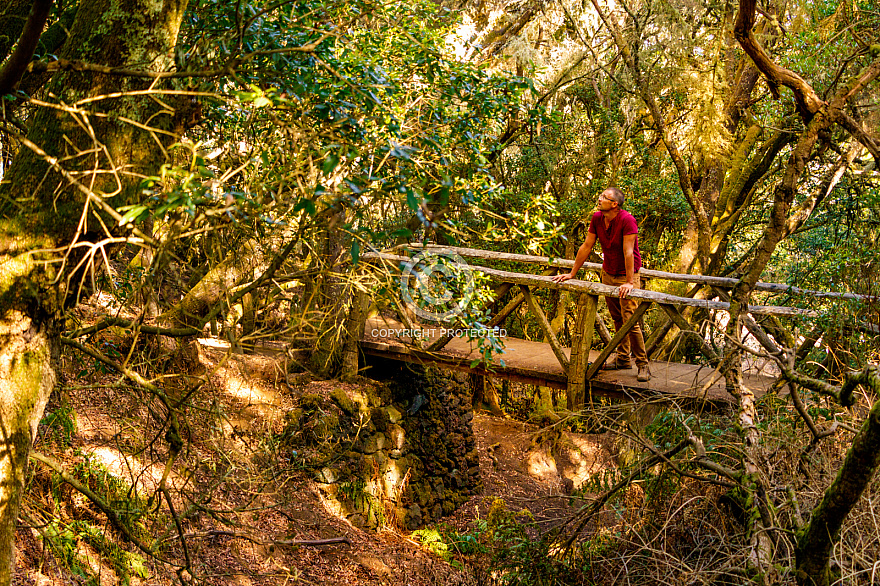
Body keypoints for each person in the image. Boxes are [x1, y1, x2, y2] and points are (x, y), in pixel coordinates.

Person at [551, 186, 650, 382]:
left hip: (626, 276)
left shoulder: (627, 221)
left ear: (615, 204)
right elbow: (587, 245)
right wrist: (572, 273)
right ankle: (623, 359)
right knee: (617, 318)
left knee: (630, 320)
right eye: (601, 195)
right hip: (608, 273)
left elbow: (628, 252)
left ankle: (643, 365)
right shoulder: (597, 218)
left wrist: (630, 282)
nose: (600, 198)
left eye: (605, 197)